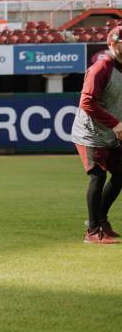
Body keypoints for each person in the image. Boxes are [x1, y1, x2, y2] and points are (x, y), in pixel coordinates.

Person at [71, 25, 122, 244]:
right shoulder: (101, 68)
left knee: (120, 174)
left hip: (112, 132)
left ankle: (100, 219)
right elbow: (86, 102)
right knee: (98, 176)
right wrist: (115, 123)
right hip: (90, 133)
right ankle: (93, 231)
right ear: (113, 44)